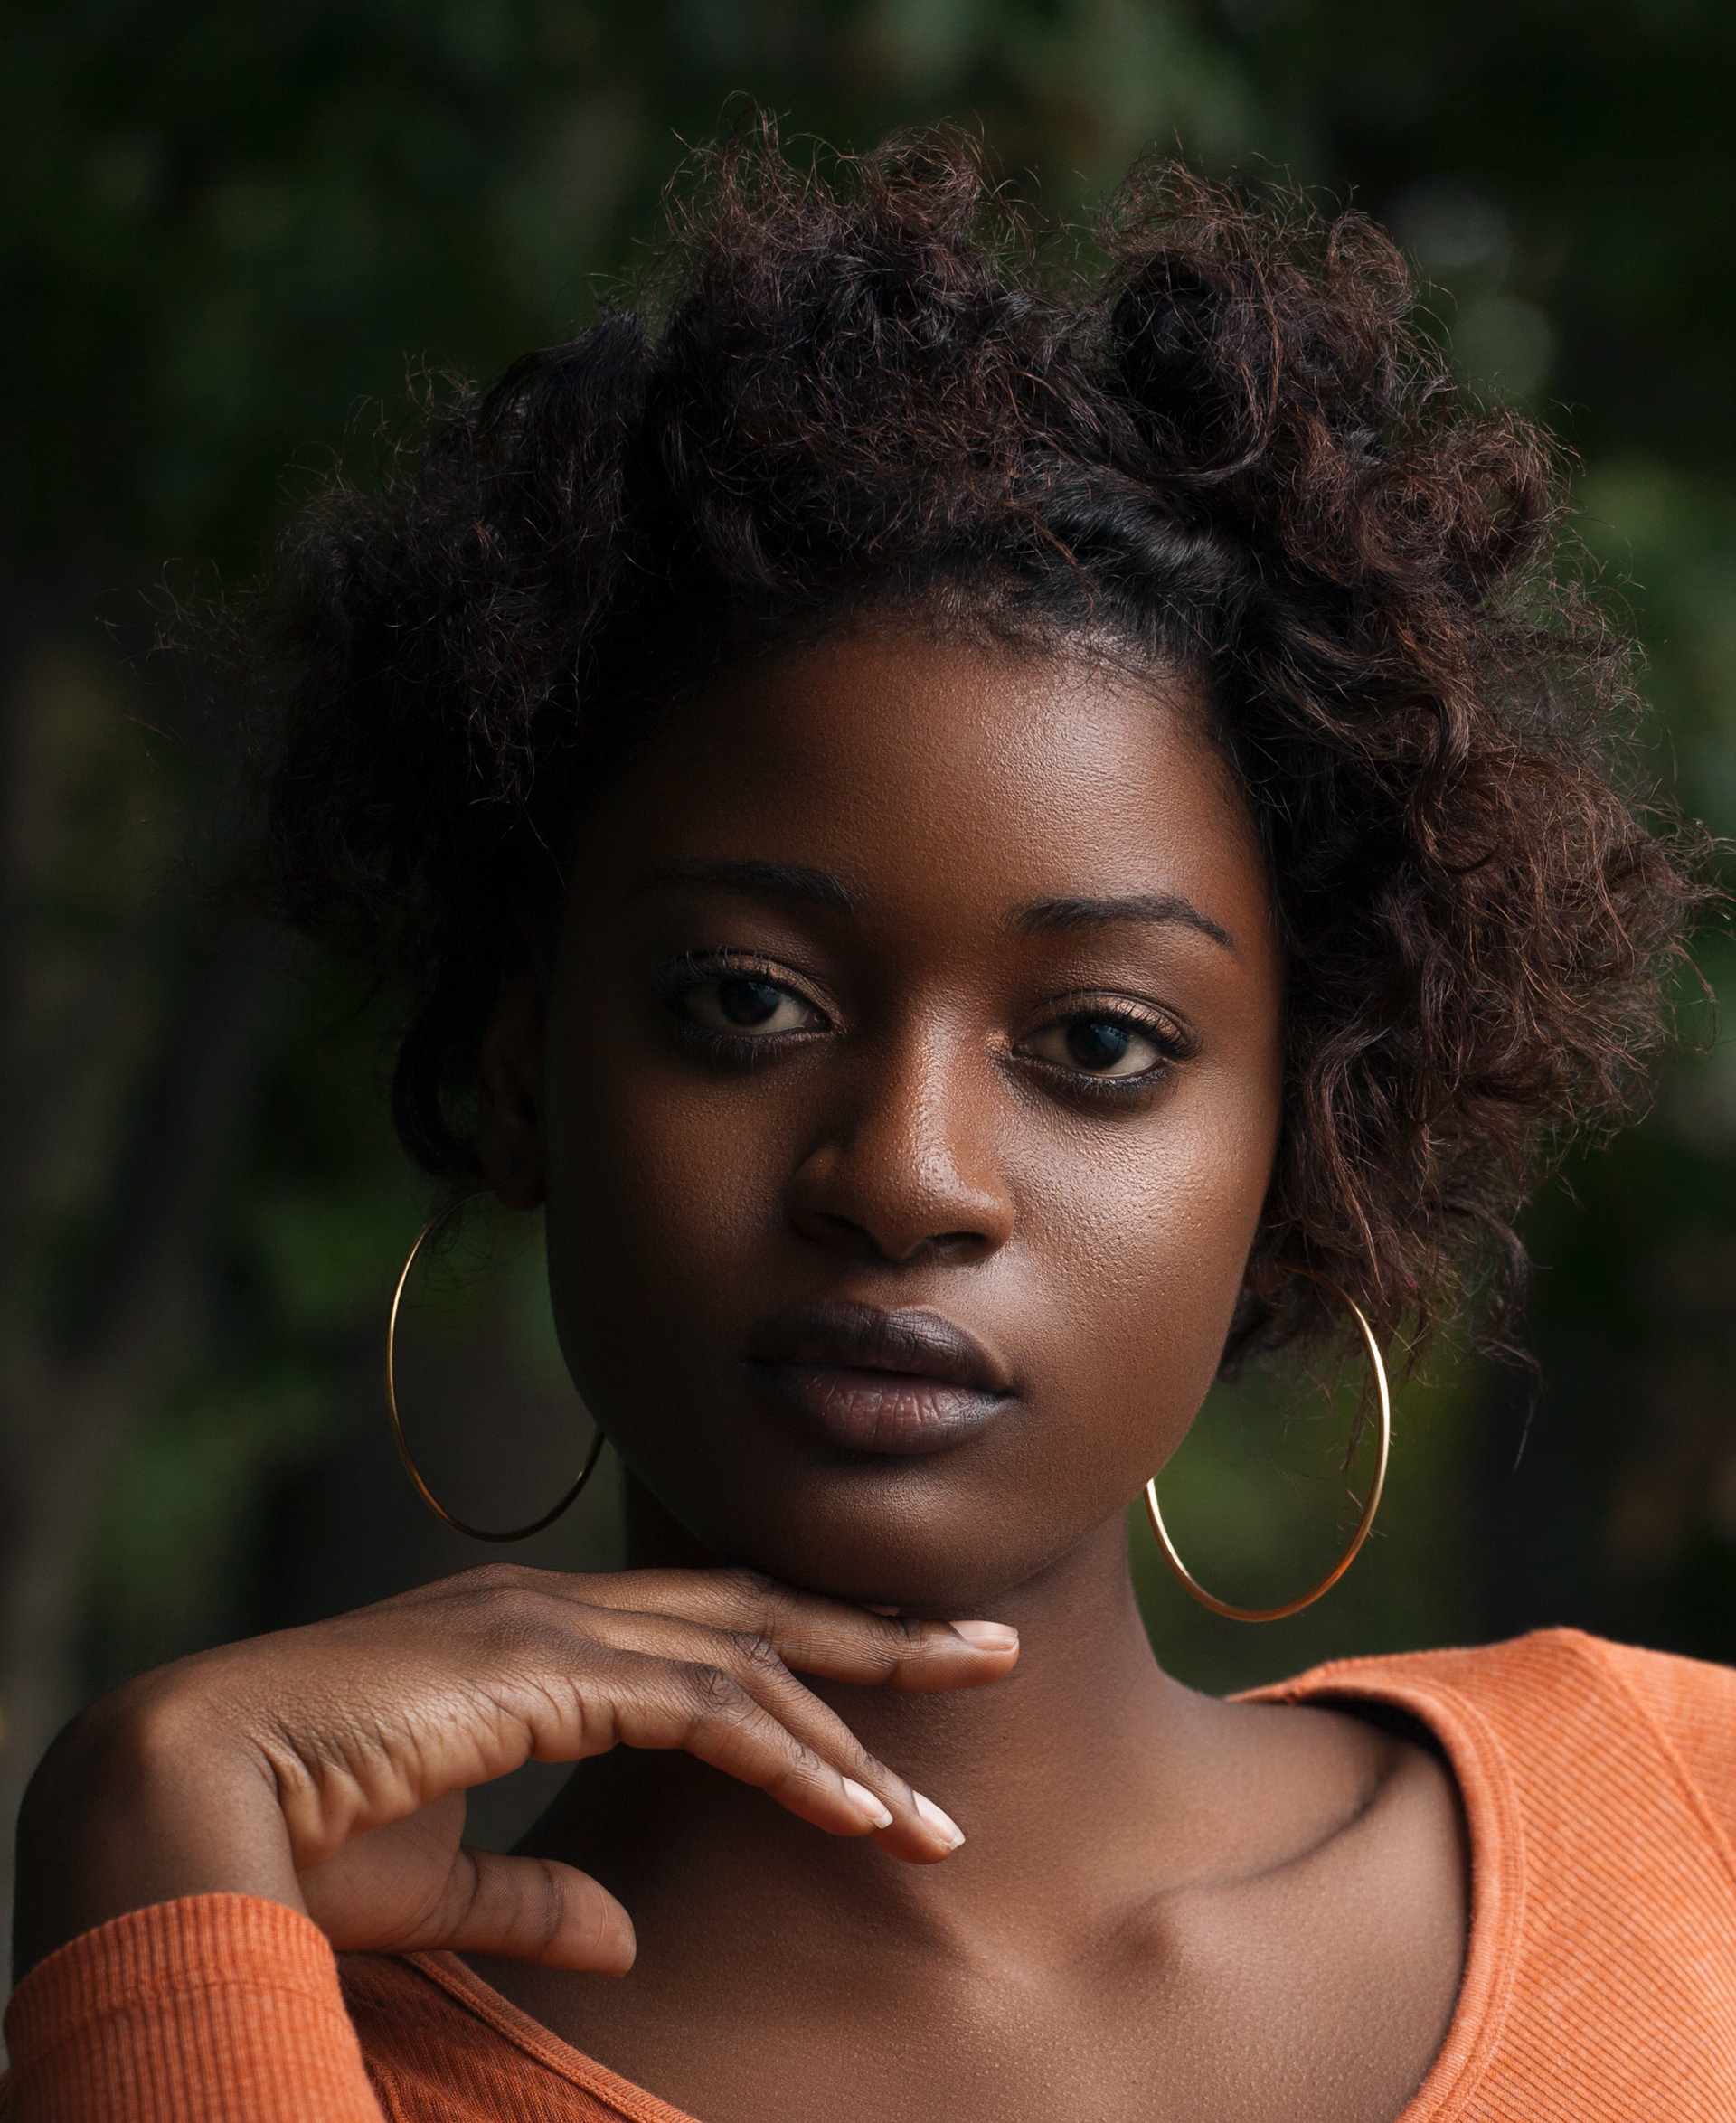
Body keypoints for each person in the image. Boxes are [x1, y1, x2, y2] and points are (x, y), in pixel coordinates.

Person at [5, 124, 1730, 2123]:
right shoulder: (263, 2048)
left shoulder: (1693, 1836)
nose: (906, 1174)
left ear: (1300, 1139)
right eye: (746, 1002)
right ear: (516, 1069)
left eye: (1097, 1041)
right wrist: (150, 1839)